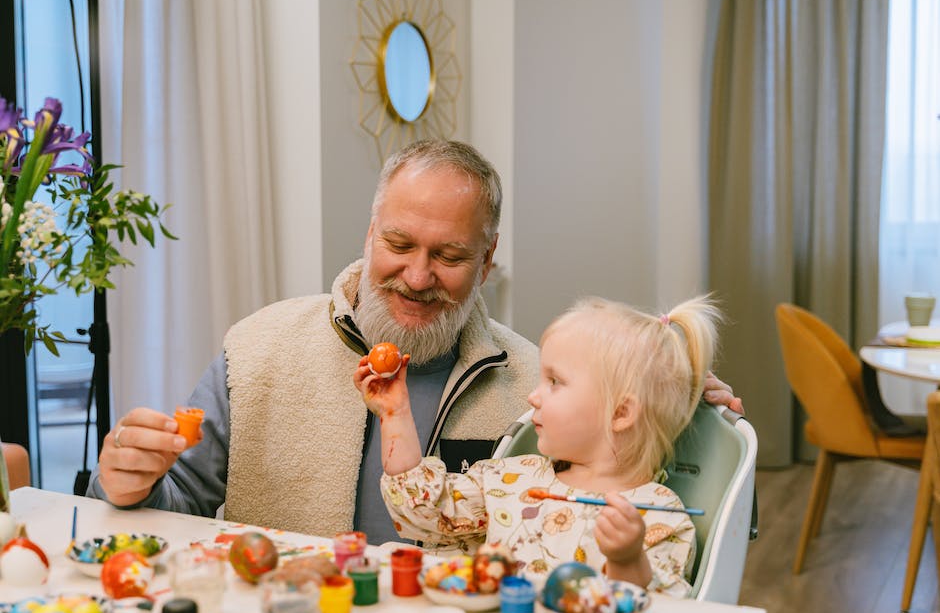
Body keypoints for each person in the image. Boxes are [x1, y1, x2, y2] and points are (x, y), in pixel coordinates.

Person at [88, 139, 742, 543]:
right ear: (370, 235)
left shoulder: (532, 381)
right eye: (399, 244)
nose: (419, 275)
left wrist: (678, 396)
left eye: (450, 255)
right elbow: (174, 510)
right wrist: (127, 486)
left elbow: (628, 469)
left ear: (487, 264)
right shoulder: (257, 349)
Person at [356, 295, 722, 596]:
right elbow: (423, 510)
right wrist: (395, 413)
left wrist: (628, 562)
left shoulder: (660, 515)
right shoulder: (514, 479)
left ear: (621, 413)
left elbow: (663, 608)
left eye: (554, 382)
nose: (533, 396)